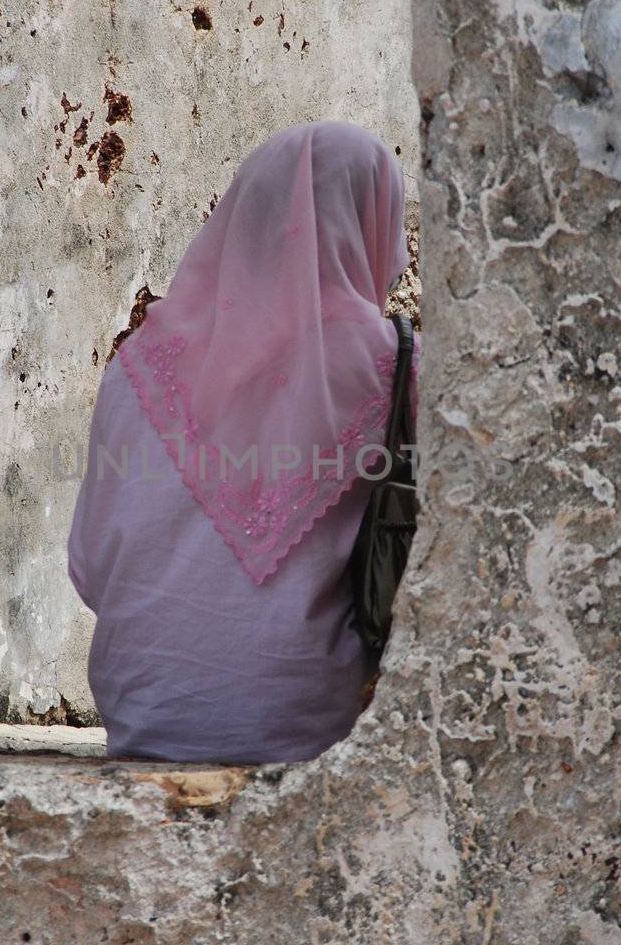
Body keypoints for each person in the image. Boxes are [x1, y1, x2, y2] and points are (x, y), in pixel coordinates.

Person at [66, 120, 418, 765]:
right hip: (313, 732)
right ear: (374, 222)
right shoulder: (398, 365)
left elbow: (90, 568)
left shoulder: (139, 366)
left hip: (145, 715)